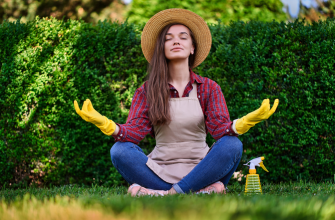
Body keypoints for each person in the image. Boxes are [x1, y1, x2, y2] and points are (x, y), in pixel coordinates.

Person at [74, 8, 279, 196]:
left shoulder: (209, 88)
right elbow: (134, 133)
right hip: (159, 170)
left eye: (183, 37)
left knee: (232, 145)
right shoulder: (147, 90)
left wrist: (243, 123)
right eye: (168, 38)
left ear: (192, 48)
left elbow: (219, 131)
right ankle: (199, 192)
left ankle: (162, 194)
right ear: (161, 48)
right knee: (119, 151)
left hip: (202, 169)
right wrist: (107, 125)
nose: (176, 41)